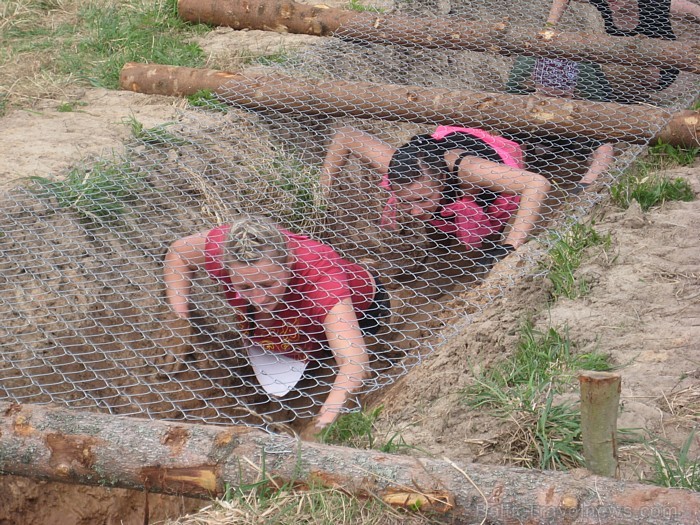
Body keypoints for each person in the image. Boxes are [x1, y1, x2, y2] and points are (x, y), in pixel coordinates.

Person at [163, 215, 390, 435]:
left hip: (362, 313)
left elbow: (355, 366)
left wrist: (321, 426)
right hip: (285, 320)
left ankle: (363, 271)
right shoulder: (227, 248)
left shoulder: (321, 276)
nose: (258, 298)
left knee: (330, 361)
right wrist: (180, 319)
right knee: (277, 352)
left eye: (267, 284)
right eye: (245, 287)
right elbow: (178, 254)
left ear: (289, 261)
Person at [321, 125, 612, 266]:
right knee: (434, 229)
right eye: (405, 200)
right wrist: (321, 195)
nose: (414, 209)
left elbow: (537, 184)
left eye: (422, 199)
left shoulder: (468, 170)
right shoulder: (398, 163)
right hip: (442, 170)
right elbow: (346, 135)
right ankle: (440, 225)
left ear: (440, 181)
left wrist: (509, 247)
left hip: (493, 167)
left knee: (478, 238)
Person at [506, 0, 680, 104]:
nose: (611, 1)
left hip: (654, 75)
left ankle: (597, 115)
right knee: (547, 57)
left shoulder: (655, 3)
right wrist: (550, 27)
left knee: (581, 63)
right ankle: (514, 100)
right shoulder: (607, 2)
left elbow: (693, 9)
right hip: (613, 66)